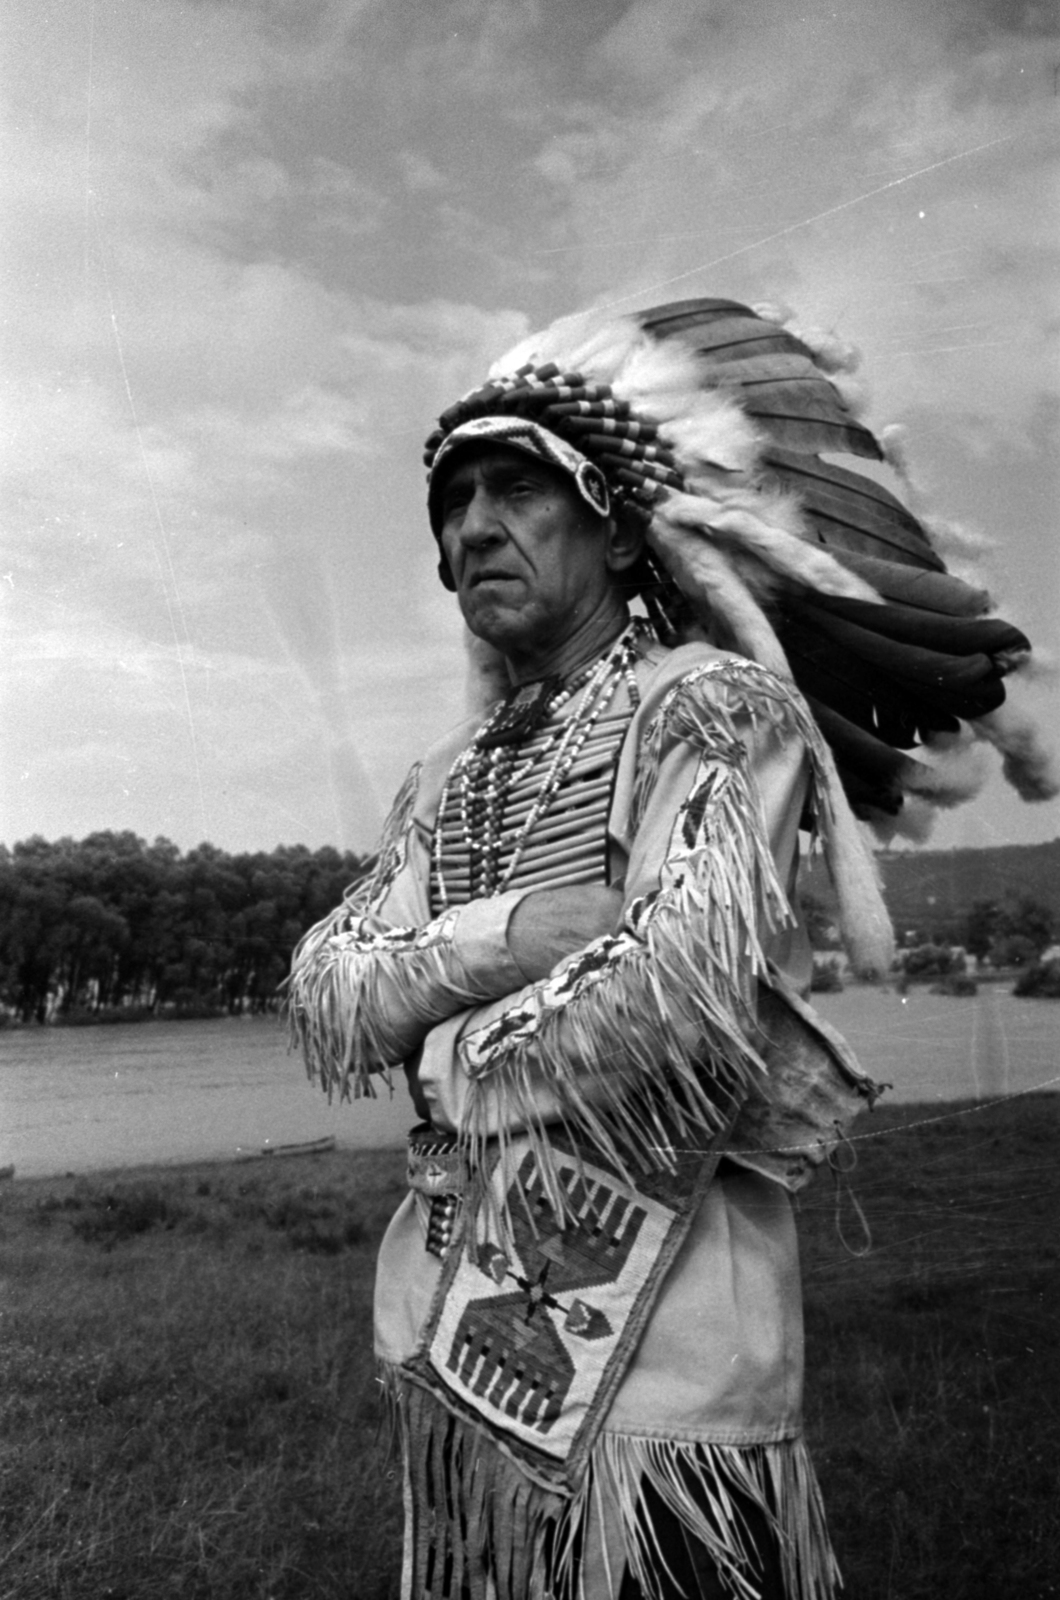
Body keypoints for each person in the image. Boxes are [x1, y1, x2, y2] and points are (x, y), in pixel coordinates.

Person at [288, 300, 1045, 1600]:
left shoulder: (713, 706)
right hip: (452, 1368)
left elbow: (671, 995)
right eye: (453, 503)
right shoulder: (441, 781)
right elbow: (323, 985)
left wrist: (432, 1035)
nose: (471, 528)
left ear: (618, 520)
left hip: (667, 1392)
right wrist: (510, 937)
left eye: (515, 488)